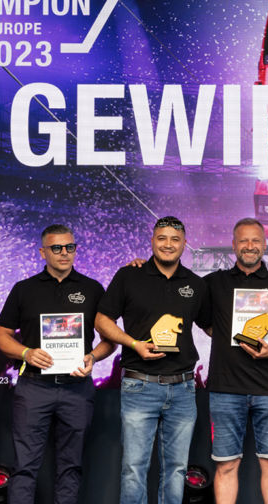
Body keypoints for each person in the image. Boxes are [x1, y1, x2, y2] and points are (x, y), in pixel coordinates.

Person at [95, 216, 211, 504]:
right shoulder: (128, 276)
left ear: (184, 243)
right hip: (139, 385)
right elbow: (102, 320)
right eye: (162, 238)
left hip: (183, 389)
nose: (168, 244)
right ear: (152, 241)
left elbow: (210, 326)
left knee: (177, 470)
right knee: (134, 468)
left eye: (175, 239)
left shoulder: (195, 285)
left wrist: (244, 331)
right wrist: (134, 344)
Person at [0, 224, 114, 504]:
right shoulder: (24, 289)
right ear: (42, 252)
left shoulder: (93, 288)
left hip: (77, 388)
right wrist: (25, 353)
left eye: (69, 247)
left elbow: (110, 340)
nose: (64, 253)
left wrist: (93, 356)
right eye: (56, 248)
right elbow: (2, 336)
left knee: (71, 467)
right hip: (34, 387)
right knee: (24, 467)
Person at [203, 218, 268, 504]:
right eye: (243, 240)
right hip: (225, 389)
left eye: (255, 241)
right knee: (225, 465)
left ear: (264, 245)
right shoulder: (214, 283)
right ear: (233, 244)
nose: (249, 246)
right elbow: (193, 309)